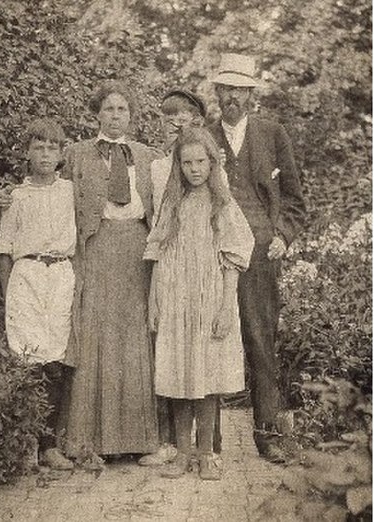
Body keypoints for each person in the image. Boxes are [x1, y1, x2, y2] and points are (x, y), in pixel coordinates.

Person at [208, 53, 306, 462]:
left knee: (260, 341)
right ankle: (206, 444)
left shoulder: (272, 134)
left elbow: (296, 202)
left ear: (251, 94)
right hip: (211, 253)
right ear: (216, 93)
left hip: (262, 254)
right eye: (225, 89)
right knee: (207, 339)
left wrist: (283, 235)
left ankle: (267, 435)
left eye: (239, 89)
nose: (232, 96)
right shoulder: (203, 136)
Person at [144, 127, 254, 480]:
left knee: (206, 375)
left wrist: (225, 307)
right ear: (178, 165)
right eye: (187, 162)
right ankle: (182, 453)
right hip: (176, 299)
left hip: (209, 300)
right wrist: (154, 301)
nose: (194, 169)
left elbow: (233, 258)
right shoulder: (172, 205)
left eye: (201, 161)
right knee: (177, 373)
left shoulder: (222, 204)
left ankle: (206, 453)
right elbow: (158, 255)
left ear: (212, 162)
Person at [61, 80, 159, 461]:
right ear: (97, 114)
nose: (116, 116)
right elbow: (50, 191)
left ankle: (139, 441)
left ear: (131, 116)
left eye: (122, 110)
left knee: (135, 336)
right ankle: (89, 441)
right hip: (97, 247)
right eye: (109, 109)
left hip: (137, 249)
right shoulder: (75, 153)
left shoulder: (149, 157)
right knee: (95, 334)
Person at [0, 118, 76, 470]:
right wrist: (8, 293)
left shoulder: (70, 191)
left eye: (52, 148)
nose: (45, 154)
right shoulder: (15, 196)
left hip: (60, 274)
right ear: (27, 153)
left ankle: (49, 445)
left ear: (60, 154)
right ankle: (26, 443)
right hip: (25, 276)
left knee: (56, 358)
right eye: (38, 147)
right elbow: (4, 247)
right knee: (27, 358)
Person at [138, 88, 208, 468]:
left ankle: (206, 446)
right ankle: (169, 441)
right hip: (165, 261)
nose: (178, 126)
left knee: (200, 354)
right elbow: (151, 215)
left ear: (195, 123)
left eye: (186, 119)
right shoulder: (156, 166)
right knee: (166, 350)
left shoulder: (203, 163)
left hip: (201, 267)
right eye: (170, 120)